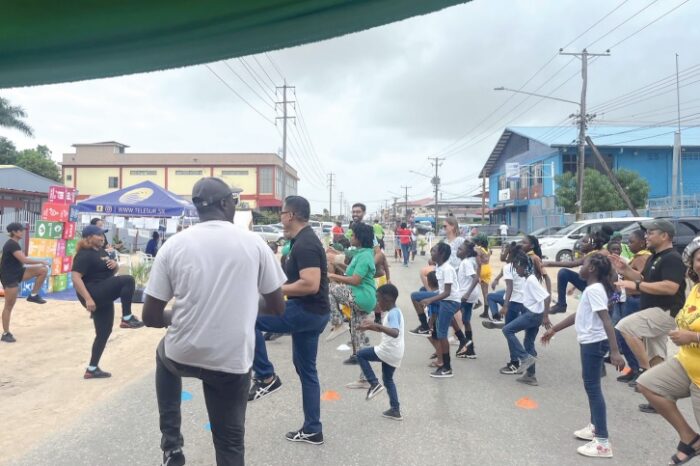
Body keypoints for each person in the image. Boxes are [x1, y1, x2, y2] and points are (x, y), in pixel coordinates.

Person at [142, 178, 286, 466]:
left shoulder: (174, 245)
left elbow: (150, 317)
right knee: (229, 442)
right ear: (224, 204)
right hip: (230, 360)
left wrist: (177, 316)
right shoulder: (254, 244)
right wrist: (244, 305)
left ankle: (171, 445)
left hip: (184, 353)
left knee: (163, 353)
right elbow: (276, 307)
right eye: (234, 200)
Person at [248, 195, 331, 446]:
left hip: (307, 310)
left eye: (282, 213)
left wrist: (277, 290)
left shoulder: (306, 244)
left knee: (248, 318)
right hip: (313, 313)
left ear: (291, 215)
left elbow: (310, 284)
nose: (280, 217)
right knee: (307, 371)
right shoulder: (299, 241)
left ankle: (265, 376)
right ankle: (313, 429)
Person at [541, 254, 625, 459]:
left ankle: (603, 443)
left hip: (594, 343)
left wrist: (615, 351)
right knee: (592, 385)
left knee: (593, 387)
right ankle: (595, 427)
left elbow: (607, 321)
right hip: (592, 342)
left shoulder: (595, 290)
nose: (580, 266)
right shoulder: (593, 289)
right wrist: (554, 330)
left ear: (593, 269)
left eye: (584, 264)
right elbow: (578, 315)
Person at [636, 237, 700, 465]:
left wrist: (693, 337)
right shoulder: (696, 289)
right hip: (686, 364)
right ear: (692, 263)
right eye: (699, 258)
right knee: (647, 383)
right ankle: (690, 438)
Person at [613, 219, 687, 406]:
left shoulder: (672, 258)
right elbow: (644, 279)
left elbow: (670, 287)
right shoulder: (655, 257)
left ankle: (646, 373)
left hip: (666, 311)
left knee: (625, 326)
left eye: (651, 232)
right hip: (654, 311)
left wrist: (636, 285)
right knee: (657, 355)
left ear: (664, 236)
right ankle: (660, 398)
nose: (646, 235)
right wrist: (626, 270)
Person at [72, 225, 140, 379]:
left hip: (103, 292)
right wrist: (88, 299)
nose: (102, 237)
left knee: (104, 332)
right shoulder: (84, 255)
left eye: (103, 235)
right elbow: (75, 277)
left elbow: (110, 272)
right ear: (88, 237)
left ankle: (92, 368)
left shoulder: (101, 252)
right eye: (98, 235)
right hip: (93, 293)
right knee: (128, 280)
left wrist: (115, 267)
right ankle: (127, 318)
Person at [328, 223, 377, 368]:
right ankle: (366, 379)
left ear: (360, 238)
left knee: (330, 289)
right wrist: (336, 266)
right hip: (363, 298)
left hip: (361, 296)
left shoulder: (365, 256)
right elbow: (351, 273)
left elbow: (355, 280)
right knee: (358, 339)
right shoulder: (363, 253)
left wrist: (331, 275)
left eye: (353, 235)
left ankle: (337, 324)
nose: (350, 236)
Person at [500, 250, 550, 386]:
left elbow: (546, 296)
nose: (516, 271)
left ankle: (524, 358)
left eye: (517, 267)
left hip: (533, 315)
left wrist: (545, 316)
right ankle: (530, 376)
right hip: (534, 314)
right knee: (528, 343)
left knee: (507, 330)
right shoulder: (529, 279)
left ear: (523, 265)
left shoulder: (531, 280)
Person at [356, 283, 404, 421]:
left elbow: (394, 332)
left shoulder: (393, 313)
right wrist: (369, 327)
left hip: (388, 351)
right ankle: (395, 410)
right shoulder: (395, 311)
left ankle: (374, 383)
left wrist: (375, 324)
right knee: (388, 380)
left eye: (378, 299)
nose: (377, 302)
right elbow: (387, 329)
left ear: (388, 298)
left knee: (361, 354)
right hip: (396, 352)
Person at [418, 243, 461, 378]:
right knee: (441, 332)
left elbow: (447, 292)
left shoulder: (447, 269)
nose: (431, 252)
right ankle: (462, 342)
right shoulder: (440, 267)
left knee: (442, 334)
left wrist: (430, 300)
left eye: (434, 250)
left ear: (442, 254)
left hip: (450, 301)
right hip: (445, 301)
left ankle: (447, 367)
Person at [0, 223, 49, 343]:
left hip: (18, 272)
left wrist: (41, 265)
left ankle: (33, 295)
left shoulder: (15, 243)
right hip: (10, 277)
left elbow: (22, 261)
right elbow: (24, 260)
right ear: (15, 232)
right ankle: (6, 333)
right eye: (21, 230)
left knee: (43, 271)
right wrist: (41, 261)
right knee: (9, 306)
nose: (23, 232)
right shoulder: (11, 244)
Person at [614, 229, 651, 383]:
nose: (628, 245)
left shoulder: (642, 257)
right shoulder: (638, 257)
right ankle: (634, 369)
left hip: (636, 299)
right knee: (624, 335)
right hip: (632, 299)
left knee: (628, 335)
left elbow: (642, 279)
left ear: (642, 242)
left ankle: (638, 370)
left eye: (631, 241)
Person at [546, 230, 611, 314]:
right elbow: (585, 274)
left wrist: (547, 263)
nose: (580, 243)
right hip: (591, 285)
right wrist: (573, 287)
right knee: (564, 273)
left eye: (584, 242)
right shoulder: (594, 253)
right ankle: (561, 305)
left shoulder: (599, 254)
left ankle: (561, 305)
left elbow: (572, 264)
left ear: (593, 245)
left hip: (603, 290)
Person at [456, 241, 481, 358]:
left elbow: (476, 279)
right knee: (466, 320)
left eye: (460, 249)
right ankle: (470, 350)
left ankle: (464, 341)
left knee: (449, 315)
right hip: (470, 294)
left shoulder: (466, 262)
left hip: (466, 294)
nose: (458, 251)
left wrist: (466, 294)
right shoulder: (465, 262)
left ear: (467, 252)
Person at [474, 234, 493, 319]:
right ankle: (486, 312)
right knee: (485, 292)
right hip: (488, 268)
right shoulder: (488, 250)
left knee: (469, 286)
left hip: (481, 269)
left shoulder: (478, 249)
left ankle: (477, 301)